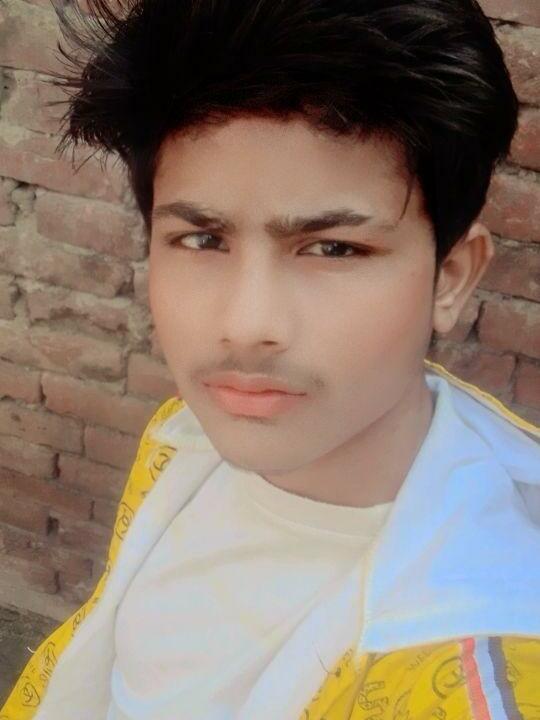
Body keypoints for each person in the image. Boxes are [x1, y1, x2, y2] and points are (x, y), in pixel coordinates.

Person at [2, 0, 539, 718]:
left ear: (451, 278)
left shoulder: (486, 667)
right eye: (202, 240)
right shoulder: (179, 443)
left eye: (333, 249)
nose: (246, 327)